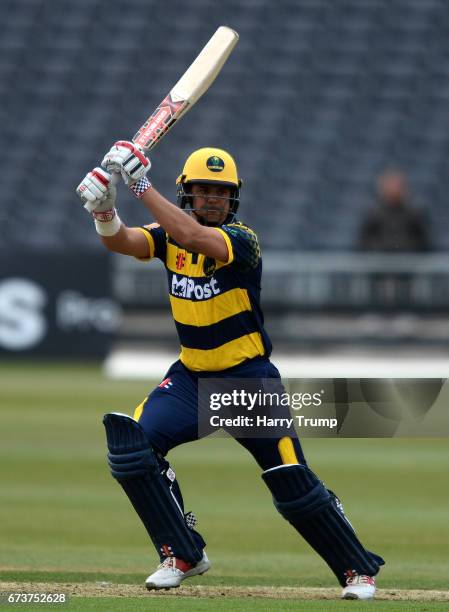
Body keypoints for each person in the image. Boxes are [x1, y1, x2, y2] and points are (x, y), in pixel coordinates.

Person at [76, 142, 384, 600]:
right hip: (190, 380)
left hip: (247, 382)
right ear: (188, 194)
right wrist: (104, 212)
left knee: (291, 482)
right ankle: (182, 553)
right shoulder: (167, 234)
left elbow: (197, 239)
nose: (213, 199)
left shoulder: (242, 240)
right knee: (132, 447)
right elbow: (124, 241)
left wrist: (139, 185)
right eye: (202, 191)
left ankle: (358, 570)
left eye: (221, 192)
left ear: (233, 197)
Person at [356, 170, 430, 252]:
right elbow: (363, 243)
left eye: (397, 186)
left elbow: (424, 243)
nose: (394, 190)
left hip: (408, 261)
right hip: (379, 261)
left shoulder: (415, 214)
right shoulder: (373, 214)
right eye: (390, 186)